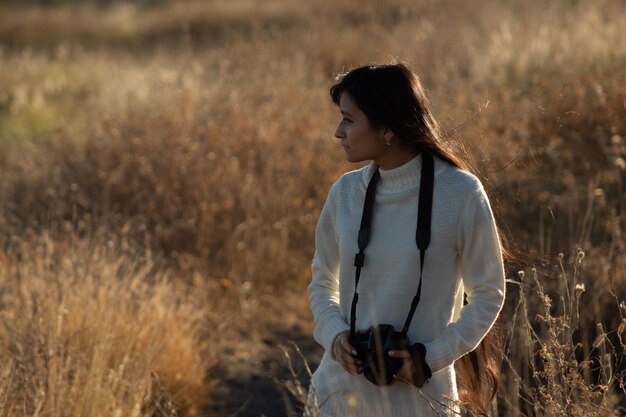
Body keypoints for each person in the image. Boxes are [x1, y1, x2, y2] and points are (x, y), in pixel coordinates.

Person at [307, 63, 506, 417]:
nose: (339, 132)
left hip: (423, 403)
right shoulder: (346, 194)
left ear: (387, 130)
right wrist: (336, 336)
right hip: (337, 397)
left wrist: (427, 359)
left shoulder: (461, 194)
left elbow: (489, 294)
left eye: (349, 120)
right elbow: (322, 283)